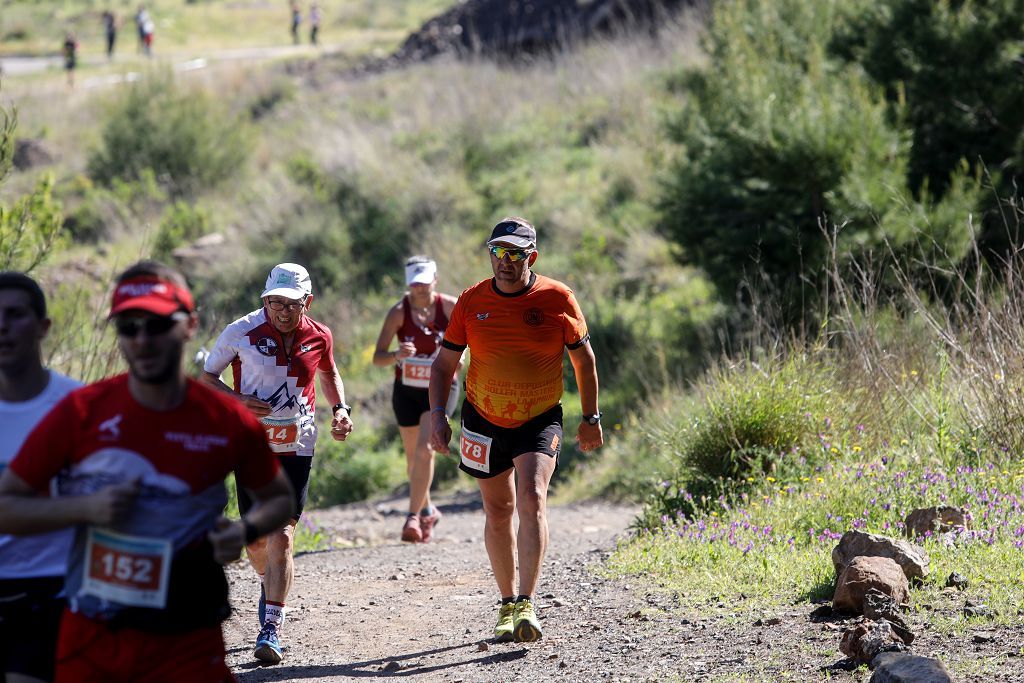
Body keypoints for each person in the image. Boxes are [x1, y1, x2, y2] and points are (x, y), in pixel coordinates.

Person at [0, 261, 295, 682]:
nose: (142, 339)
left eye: (157, 323)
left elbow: (278, 498)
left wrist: (243, 532)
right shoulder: (82, 411)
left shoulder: (224, 417)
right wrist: (85, 509)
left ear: (189, 325)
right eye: (128, 325)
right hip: (94, 637)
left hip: (189, 639)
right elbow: (7, 505)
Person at [428, 217, 603, 643]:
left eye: (516, 254)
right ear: (490, 254)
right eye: (499, 252)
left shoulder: (557, 297)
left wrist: (591, 418)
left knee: (532, 497)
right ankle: (506, 604)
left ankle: (527, 601)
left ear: (532, 257)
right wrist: (437, 413)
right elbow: (444, 364)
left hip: (539, 418)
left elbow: (584, 361)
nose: (506, 261)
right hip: (482, 420)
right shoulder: (471, 301)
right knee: (498, 510)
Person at [200, 262, 353, 664]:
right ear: (264, 300)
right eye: (274, 303)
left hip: (298, 443)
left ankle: (271, 626)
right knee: (256, 543)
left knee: (282, 533)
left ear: (308, 301)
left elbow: (329, 371)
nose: (283, 312)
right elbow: (206, 378)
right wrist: (236, 400)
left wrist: (340, 409)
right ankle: (269, 585)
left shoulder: (319, 335)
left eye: (292, 304)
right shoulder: (240, 332)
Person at [0, 273, 82, 683]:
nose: (2, 326)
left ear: (43, 327)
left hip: (53, 591)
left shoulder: (79, 406)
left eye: (14, 315)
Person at [372, 256, 459, 543]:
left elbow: (473, 341)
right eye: (414, 284)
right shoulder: (399, 312)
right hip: (407, 390)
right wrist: (397, 355)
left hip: (442, 387)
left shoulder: (450, 307)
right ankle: (428, 510)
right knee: (414, 461)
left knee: (426, 450)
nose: (420, 289)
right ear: (408, 285)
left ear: (436, 279)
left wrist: (460, 360)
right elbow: (378, 358)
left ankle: (412, 517)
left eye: (425, 282)